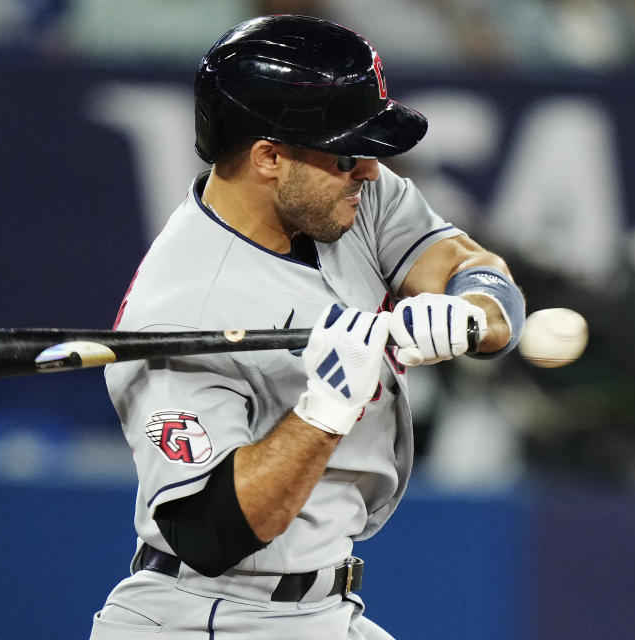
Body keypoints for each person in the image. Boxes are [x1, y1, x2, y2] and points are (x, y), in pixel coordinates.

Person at [90, 15, 525, 640]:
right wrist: (323, 410)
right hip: (211, 617)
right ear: (269, 156)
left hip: (323, 611)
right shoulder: (183, 305)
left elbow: (476, 273)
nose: (370, 170)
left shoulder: (348, 196)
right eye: (348, 151)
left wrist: (469, 312)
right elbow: (208, 533)